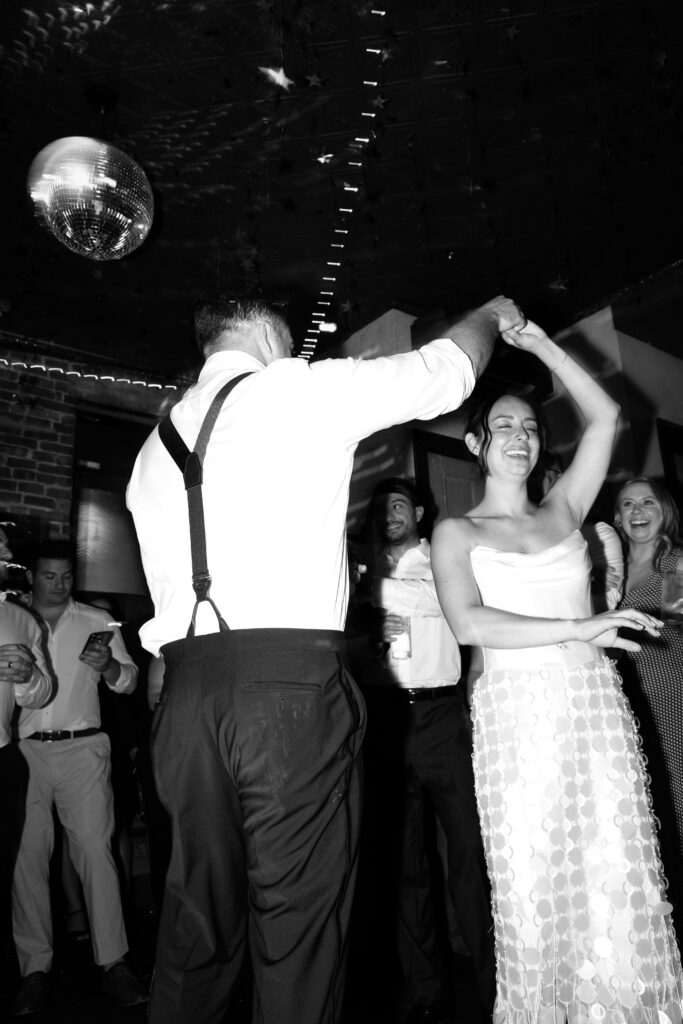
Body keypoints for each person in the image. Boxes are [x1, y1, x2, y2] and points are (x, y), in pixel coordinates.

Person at [125, 291, 526, 1024]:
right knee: (298, 930)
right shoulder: (291, 388)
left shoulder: (155, 442)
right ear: (268, 333)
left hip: (183, 694)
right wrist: (491, 317)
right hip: (286, 690)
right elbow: (447, 371)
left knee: (195, 924)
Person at [431, 321, 683, 1023]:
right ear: (475, 444)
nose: (519, 437)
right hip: (516, 715)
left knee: (617, 871)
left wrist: (538, 344)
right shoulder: (457, 532)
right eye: (502, 426)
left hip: (593, 705)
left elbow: (604, 414)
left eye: (532, 429)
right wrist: (580, 626)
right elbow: (469, 624)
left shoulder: (565, 510)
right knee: (535, 881)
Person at [353, 477, 494, 1024]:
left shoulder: (442, 555)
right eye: (381, 506)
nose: (389, 514)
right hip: (384, 716)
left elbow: (453, 609)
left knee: (467, 853)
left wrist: (370, 591)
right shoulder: (362, 571)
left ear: (417, 510)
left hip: (440, 714)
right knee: (405, 862)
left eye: (398, 505)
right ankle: (427, 988)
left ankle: (495, 983)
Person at [11, 540, 148, 1015]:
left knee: (95, 852)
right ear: (33, 576)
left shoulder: (98, 621)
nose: (59, 584)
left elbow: (130, 678)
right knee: (27, 859)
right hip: (25, 750)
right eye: (50, 575)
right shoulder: (11, 620)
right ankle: (34, 970)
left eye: (66, 576)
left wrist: (109, 665)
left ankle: (115, 964)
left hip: (84, 747)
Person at [614, 476, 683, 912]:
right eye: (627, 505)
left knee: (674, 788)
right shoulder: (608, 565)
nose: (638, 511)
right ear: (617, 518)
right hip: (619, 692)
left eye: (647, 503)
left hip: (666, 688)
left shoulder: (675, 564)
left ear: (665, 512)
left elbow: (678, 629)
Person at [0, 525, 54, 991]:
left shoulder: (21, 620)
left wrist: (25, 677)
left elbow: (39, 694)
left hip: (4, 760)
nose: (5, 549)